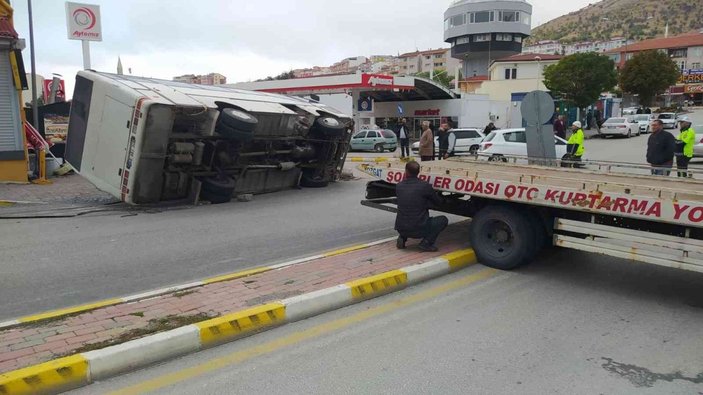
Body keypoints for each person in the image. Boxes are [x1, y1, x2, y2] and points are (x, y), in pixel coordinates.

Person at [395, 161, 449, 252]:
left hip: (401, 228)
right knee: (443, 220)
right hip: (419, 229)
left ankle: (402, 237)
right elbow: (438, 202)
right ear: (418, 172)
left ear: (406, 171)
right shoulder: (424, 186)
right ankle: (426, 243)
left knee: (408, 212)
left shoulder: (399, 186)